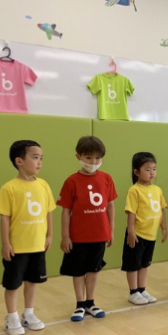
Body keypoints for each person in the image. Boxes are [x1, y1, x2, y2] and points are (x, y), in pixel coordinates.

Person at [0, 140, 55, 335]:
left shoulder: (43, 185)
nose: (39, 162)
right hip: (17, 247)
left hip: (37, 245)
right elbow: (4, 217)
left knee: (32, 281)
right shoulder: (9, 188)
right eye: (35, 157)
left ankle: (28, 314)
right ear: (19, 161)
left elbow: (49, 211)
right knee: (13, 284)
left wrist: (50, 235)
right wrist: (6, 243)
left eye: (41, 158)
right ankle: (11, 316)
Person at [57, 136, 117, 321]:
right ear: (78, 156)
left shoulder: (106, 178)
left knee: (94, 270)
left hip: (99, 235)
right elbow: (66, 211)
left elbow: (110, 205)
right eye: (88, 157)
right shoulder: (71, 181)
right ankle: (80, 304)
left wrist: (111, 230)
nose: (93, 162)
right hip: (78, 237)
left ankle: (91, 302)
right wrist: (65, 236)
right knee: (78, 271)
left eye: (97, 158)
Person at [122, 152, 167, 305]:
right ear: (136, 172)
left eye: (154, 169)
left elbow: (161, 209)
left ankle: (142, 289)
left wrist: (164, 228)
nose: (152, 172)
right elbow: (131, 212)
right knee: (133, 265)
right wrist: (131, 231)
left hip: (150, 235)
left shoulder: (157, 190)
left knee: (144, 264)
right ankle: (133, 292)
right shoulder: (134, 190)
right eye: (147, 169)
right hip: (137, 234)